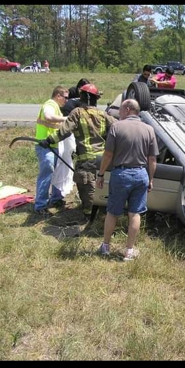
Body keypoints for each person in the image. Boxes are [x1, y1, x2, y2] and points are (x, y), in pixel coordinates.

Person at [39, 84, 116, 221]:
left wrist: (49, 140)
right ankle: (102, 212)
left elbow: (64, 131)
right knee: (102, 185)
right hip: (103, 160)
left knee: (87, 188)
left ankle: (89, 217)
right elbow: (117, 129)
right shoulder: (104, 114)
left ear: (83, 97)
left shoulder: (77, 113)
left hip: (86, 160)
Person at [96, 99, 159, 260]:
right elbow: (152, 159)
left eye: (121, 109)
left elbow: (108, 154)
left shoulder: (117, 127)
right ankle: (129, 251)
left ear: (128, 109)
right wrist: (150, 179)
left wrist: (101, 174)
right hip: (141, 174)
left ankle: (105, 246)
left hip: (121, 174)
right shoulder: (149, 129)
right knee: (135, 213)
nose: (119, 113)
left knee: (112, 212)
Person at [34, 86, 69, 215]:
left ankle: (55, 198)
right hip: (44, 146)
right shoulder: (50, 104)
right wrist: (66, 119)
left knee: (55, 173)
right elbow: (48, 116)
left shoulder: (57, 109)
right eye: (65, 97)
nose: (66, 100)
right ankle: (40, 206)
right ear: (58, 95)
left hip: (52, 146)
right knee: (46, 173)